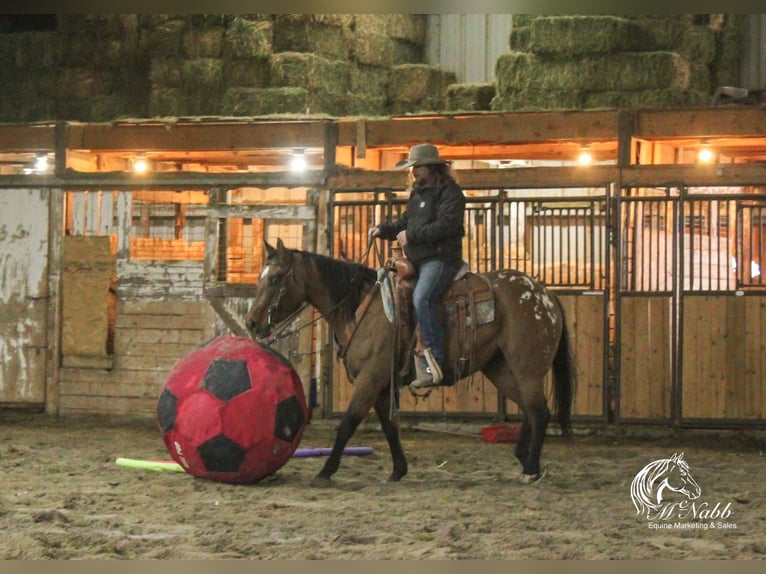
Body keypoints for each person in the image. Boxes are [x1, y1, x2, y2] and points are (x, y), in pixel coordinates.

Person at [368, 143, 466, 389]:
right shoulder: (419, 192)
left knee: (423, 297)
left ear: (433, 167)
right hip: (418, 259)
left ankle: (434, 360)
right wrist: (384, 230)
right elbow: (405, 221)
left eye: (418, 167)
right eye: (412, 168)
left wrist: (412, 236)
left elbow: (446, 225)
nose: (414, 172)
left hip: (441, 258)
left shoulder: (451, 193)